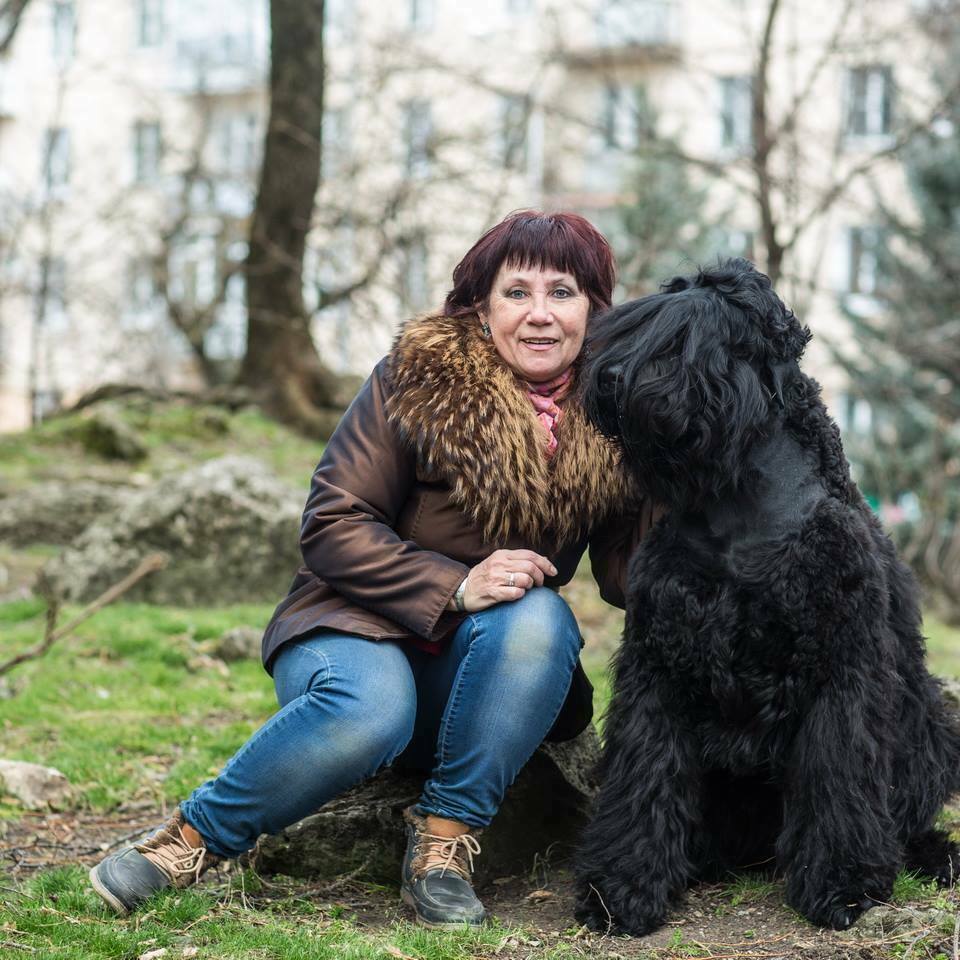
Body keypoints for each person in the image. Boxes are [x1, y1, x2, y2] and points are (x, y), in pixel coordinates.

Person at [89, 210, 660, 927]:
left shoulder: (613, 419)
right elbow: (332, 523)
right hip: (352, 627)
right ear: (482, 308)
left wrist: (684, 489)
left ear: (595, 310)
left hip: (488, 679)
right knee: (372, 710)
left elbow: (630, 576)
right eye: (517, 293)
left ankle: (443, 845)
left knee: (540, 615)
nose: (539, 314)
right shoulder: (416, 381)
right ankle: (189, 841)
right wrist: (457, 585)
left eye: (563, 293)